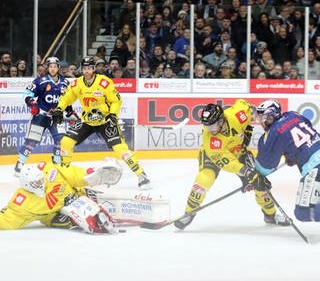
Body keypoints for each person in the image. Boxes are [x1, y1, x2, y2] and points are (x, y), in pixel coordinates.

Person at [174, 99, 290, 230]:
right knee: (204, 179)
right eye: (206, 126)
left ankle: (270, 214)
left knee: (259, 181)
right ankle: (189, 212)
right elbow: (227, 162)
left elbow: (244, 104)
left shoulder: (238, 115)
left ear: (221, 120)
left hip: (239, 151)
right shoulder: (210, 139)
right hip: (213, 156)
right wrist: (246, 172)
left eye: (212, 126)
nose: (209, 130)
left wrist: (247, 129)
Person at [51, 56, 151, 190]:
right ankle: (64, 174)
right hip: (87, 121)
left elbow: (116, 100)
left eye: (89, 68)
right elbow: (66, 98)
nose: (86, 71)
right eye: (84, 68)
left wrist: (113, 115)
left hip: (105, 121)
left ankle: (141, 175)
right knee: (66, 142)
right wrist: (59, 109)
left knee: (121, 149)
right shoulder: (77, 83)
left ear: (93, 69)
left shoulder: (104, 82)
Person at [1, 158, 122, 233]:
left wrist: (90, 174)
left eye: (40, 179)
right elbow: (6, 220)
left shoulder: (50, 171)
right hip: (56, 214)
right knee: (65, 220)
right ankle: (95, 221)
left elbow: (72, 173)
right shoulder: (21, 202)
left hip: (76, 194)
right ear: (28, 186)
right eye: (36, 183)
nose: (41, 183)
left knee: (103, 199)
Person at [255, 100, 320, 222]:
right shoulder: (294, 115)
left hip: (315, 167)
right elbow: (307, 131)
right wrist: (292, 154)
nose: (261, 123)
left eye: (262, 118)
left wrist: (253, 178)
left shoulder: (272, 133)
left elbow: (265, 167)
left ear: (270, 116)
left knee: (303, 212)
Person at [14, 57, 70, 176]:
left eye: (55, 66)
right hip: (41, 116)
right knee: (32, 141)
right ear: (47, 68)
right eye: (50, 66)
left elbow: (67, 100)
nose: (53, 69)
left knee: (60, 140)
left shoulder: (65, 83)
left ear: (58, 67)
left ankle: (57, 163)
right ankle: (20, 163)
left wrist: (70, 111)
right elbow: (27, 94)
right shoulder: (40, 81)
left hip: (56, 117)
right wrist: (33, 104)